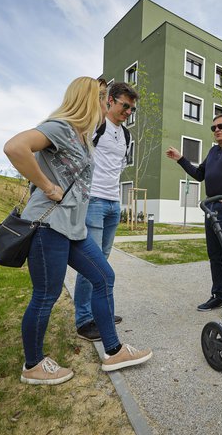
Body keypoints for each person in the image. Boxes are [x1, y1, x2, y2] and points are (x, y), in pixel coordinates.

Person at [3, 76, 152, 386]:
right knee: (46, 295)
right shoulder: (60, 126)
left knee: (103, 276)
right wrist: (47, 186)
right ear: (88, 100)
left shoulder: (83, 137)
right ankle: (33, 364)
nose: (105, 104)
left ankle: (114, 351)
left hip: (74, 228)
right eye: (101, 98)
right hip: (49, 225)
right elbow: (15, 147)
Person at [165, 113, 222, 324]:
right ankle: (217, 295)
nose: (216, 130)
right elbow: (199, 174)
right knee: (214, 255)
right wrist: (181, 159)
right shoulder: (214, 151)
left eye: (220, 126)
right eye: (213, 127)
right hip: (212, 208)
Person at [74, 81, 139, 341]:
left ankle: (99, 311)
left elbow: (117, 166)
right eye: (125, 106)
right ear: (110, 101)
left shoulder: (126, 135)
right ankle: (84, 319)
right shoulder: (96, 125)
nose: (128, 112)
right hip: (94, 202)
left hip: (113, 204)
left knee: (103, 261)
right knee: (92, 262)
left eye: (132, 109)